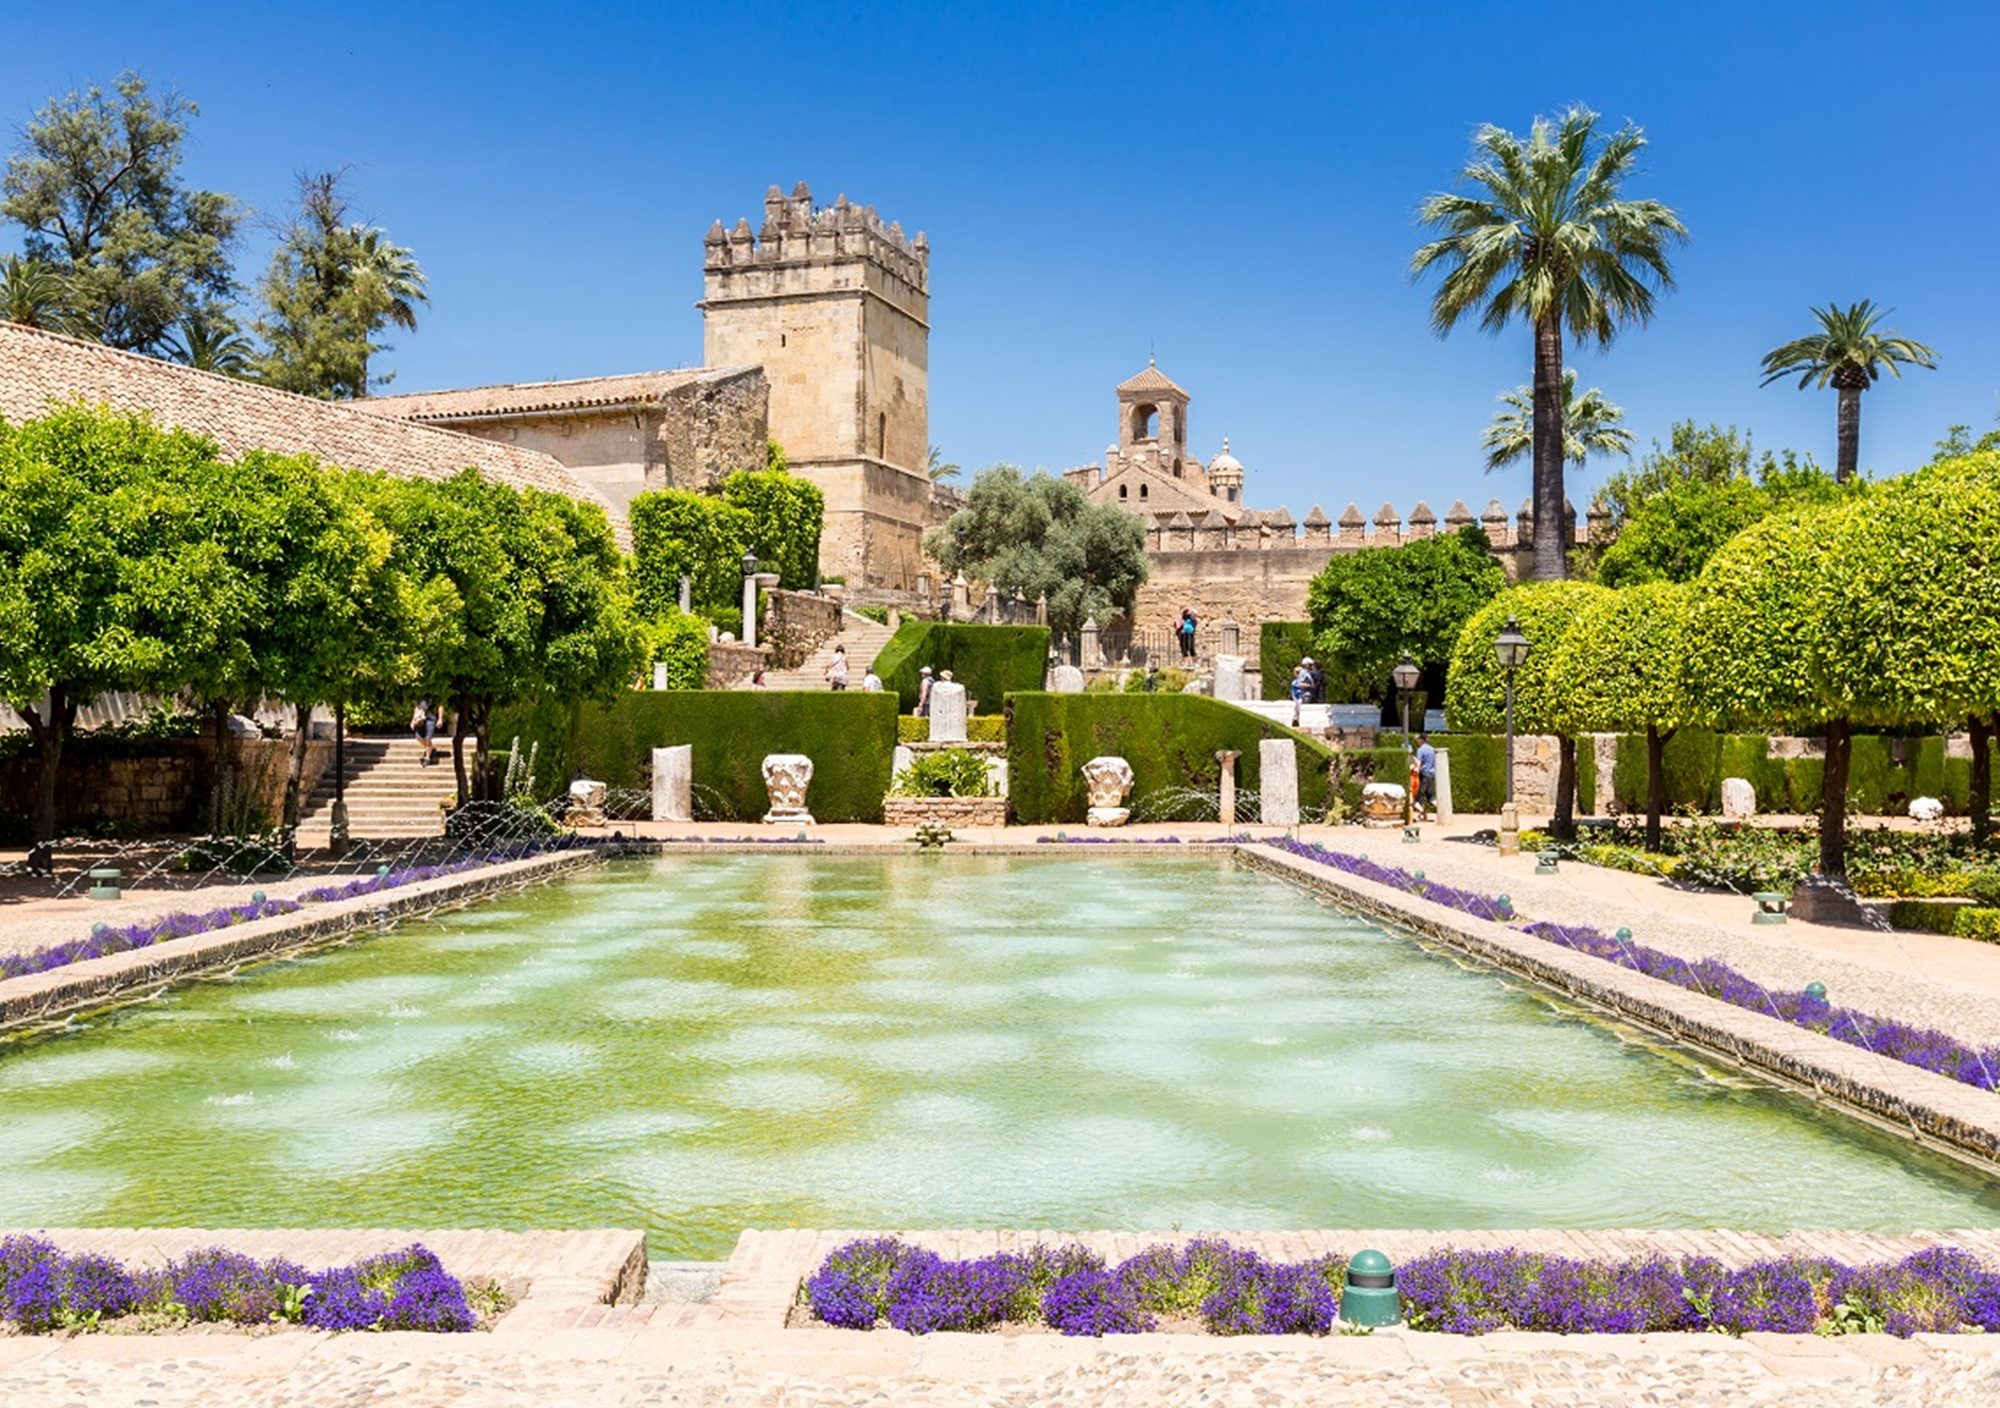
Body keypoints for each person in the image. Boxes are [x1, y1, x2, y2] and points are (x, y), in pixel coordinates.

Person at [1414, 733, 1438, 817]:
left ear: (1421, 740)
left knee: (1418, 796)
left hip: (1424, 774)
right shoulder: (1432, 749)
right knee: (1431, 796)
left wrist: (1416, 769)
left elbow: (1418, 762)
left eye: (1417, 739)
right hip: (1432, 774)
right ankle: (1442, 809)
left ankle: (1422, 812)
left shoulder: (1420, 750)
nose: (1417, 741)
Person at [410, 699, 436, 767]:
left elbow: (440, 706)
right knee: (419, 737)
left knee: (428, 738)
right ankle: (431, 748)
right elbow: (417, 707)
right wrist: (413, 720)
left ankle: (427, 758)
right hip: (420, 719)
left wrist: (440, 719)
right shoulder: (420, 694)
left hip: (430, 718)